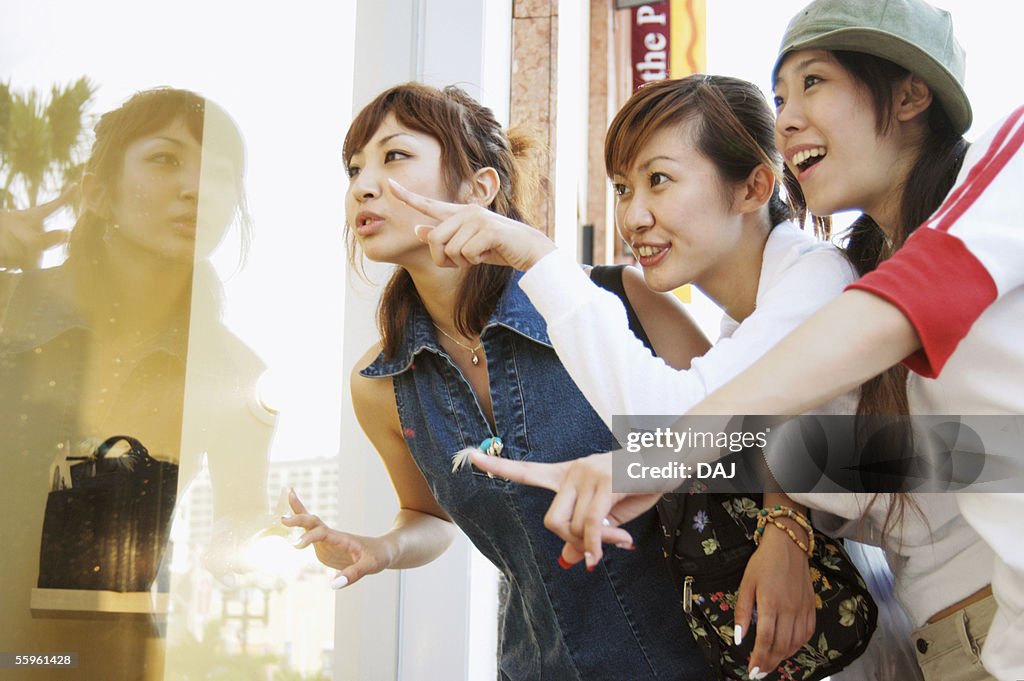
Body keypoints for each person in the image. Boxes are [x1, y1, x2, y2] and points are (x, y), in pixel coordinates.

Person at [455, 1, 1013, 679]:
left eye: (814, 82)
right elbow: (941, 458)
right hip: (963, 635)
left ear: (911, 93)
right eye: (780, 95)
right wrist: (729, 483)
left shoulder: (983, 183)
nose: (789, 118)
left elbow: (961, 452)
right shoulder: (861, 271)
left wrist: (539, 260)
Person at [393, 73, 895, 680]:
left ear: (755, 186)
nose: (633, 215)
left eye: (659, 180)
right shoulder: (750, 323)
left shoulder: (816, 279)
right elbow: (721, 441)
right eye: (624, 188)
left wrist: (539, 260)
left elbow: (679, 422)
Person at [280, 82, 712, 680]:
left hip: (700, 661)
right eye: (354, 168)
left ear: (480, 189)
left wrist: (783, 539)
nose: (363, 185)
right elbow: (429, 517)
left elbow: (764, 444)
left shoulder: (617, 302)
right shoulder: (382, 382)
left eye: (394, 156)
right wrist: (382, 549)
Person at [0, 87, 274, 681]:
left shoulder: (235, 371)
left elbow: (240, 515)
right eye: (166, 159)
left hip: (115, 659)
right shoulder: (7, 306)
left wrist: (259, 541)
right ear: (97, 191)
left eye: (222, 173)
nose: (197, 188)